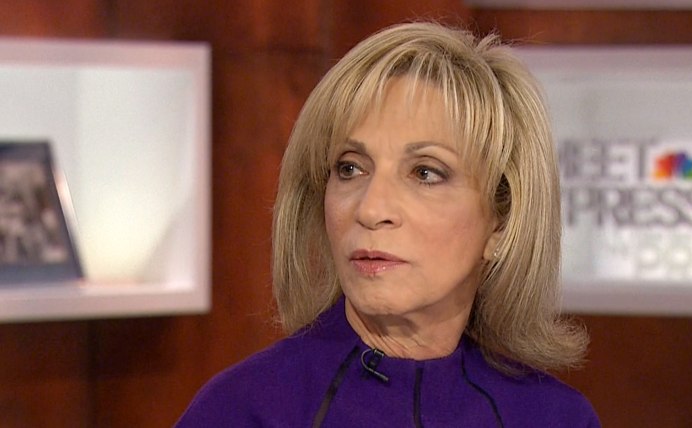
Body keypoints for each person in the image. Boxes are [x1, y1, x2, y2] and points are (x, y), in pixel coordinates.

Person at [177, 21, 600, 427]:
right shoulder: (244, 410)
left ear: (501, 224)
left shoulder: (556, 418)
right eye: (350, 168)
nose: (371, 208)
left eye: (425, 173)